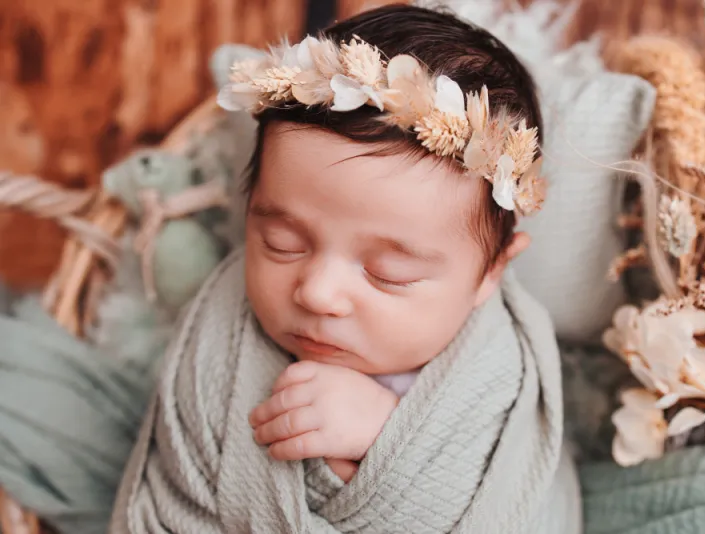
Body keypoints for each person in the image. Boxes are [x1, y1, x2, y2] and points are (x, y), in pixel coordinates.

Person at [109, 4, 582, 533]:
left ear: (491, 274)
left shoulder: (498, 381)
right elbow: (174, 496)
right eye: (282, 243)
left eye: (388, 273)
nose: (317, 293)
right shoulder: (222, 339)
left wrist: (385, 443)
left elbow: (524, 507)